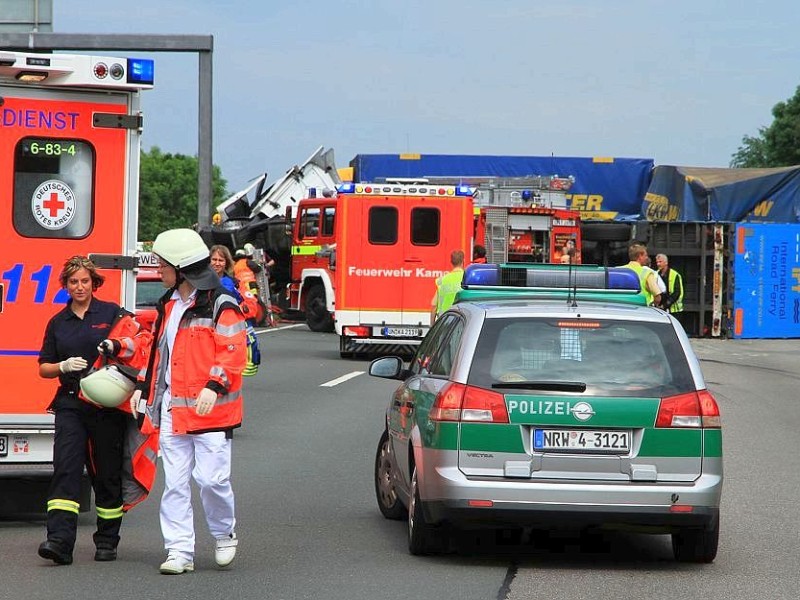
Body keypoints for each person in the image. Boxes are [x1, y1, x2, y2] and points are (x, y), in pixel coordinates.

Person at [130, 229, 247, 575]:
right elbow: (157, 352)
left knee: (212, 481)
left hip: (211, 411)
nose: (160, 269)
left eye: (163, 264)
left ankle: (224, 532)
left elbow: (234, 351)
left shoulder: (220, 304)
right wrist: (143, 386)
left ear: (181, 268)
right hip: (173, 411)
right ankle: (179, 550)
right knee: (176, 484)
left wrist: (214, 385)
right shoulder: (168, 304)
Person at [37, 256, 152, 566]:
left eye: (85, 281)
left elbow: (140, 340)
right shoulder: (58, 323)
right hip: (71, 403)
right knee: (66, 468)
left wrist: (115, 346)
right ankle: (59, 541)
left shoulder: (112, 313)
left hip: (106, 407)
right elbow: (43, 368)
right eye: (73, 282)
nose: (79, 287)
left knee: (107, 473)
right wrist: (61, 366)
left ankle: (107, 540)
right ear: (65, 285)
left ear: (94, 283)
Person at [211, 245, 261, 376]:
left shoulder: (232, 283)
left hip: (225, 329)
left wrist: (240, 313)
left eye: (220, 260)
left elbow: (250, 305)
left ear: (226, 262)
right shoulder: (198, 282)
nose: (217, 263)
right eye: (214, 259)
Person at [430, 250, 465, 323]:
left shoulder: (442, 280)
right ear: (463, 261)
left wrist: (432, 325)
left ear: (451, 262)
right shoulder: (467, 279)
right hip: (461, 321)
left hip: (444, 321)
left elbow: (434, 305)